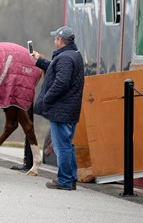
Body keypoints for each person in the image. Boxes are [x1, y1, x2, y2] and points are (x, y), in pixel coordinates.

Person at [31, 26, 84, 190]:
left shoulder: (65, 58)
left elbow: (61, 82)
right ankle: (71, 178)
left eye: (56, 38)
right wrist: (40, 60)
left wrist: (47, 98)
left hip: (62, 110)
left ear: (60, 40)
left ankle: (65, 181)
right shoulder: (71, 55)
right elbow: (57, 70)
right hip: (69, 108)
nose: (54, 40)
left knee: (62, 146)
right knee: (67, 144)